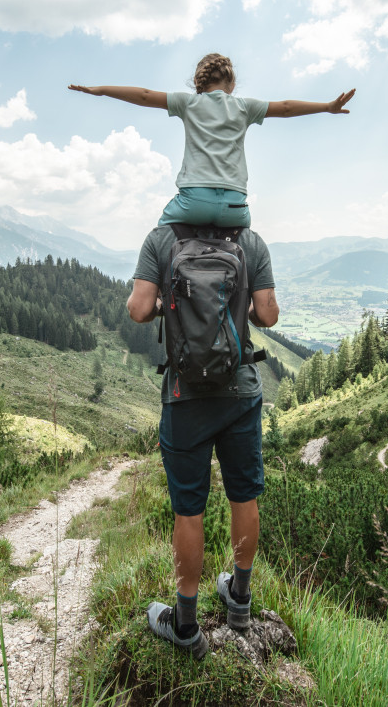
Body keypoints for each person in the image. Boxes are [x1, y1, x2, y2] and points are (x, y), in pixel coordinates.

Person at [126, 221, 279, 658]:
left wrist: (169, 304)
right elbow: (267, 314)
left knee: (188, 512)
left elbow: (138, 310)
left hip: (184, 396)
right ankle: (240, 601)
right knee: (243, 497)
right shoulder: (249, 241)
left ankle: (187, 627)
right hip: (240, 392)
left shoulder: (161, 238)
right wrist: (236, 306)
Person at [69, 53, 353, 229]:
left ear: (199, 83)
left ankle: (153, 295)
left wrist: (102, 90)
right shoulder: (244, 107)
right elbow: (287, 106)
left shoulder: (189, 103)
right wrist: (327, 107)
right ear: (231, 84)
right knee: (249, 251)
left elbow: (143, 95)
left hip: (193, 202)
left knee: (160, 238)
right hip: (236, 208)